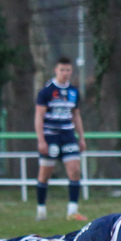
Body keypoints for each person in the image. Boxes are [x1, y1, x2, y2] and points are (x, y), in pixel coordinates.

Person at [34, 57, 87, 221]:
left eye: (68, 70)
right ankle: (41, 210)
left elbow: (76, 115)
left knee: (75, 171)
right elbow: (39, 116)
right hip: (51, 136)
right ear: (55, 70)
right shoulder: (46, 91)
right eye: (62, 70)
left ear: (72, 71)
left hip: (68, 136)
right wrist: (41, 140)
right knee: (44, 174)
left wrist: (81, 137)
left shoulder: (74, 92)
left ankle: (72, 211)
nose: (65, 73)